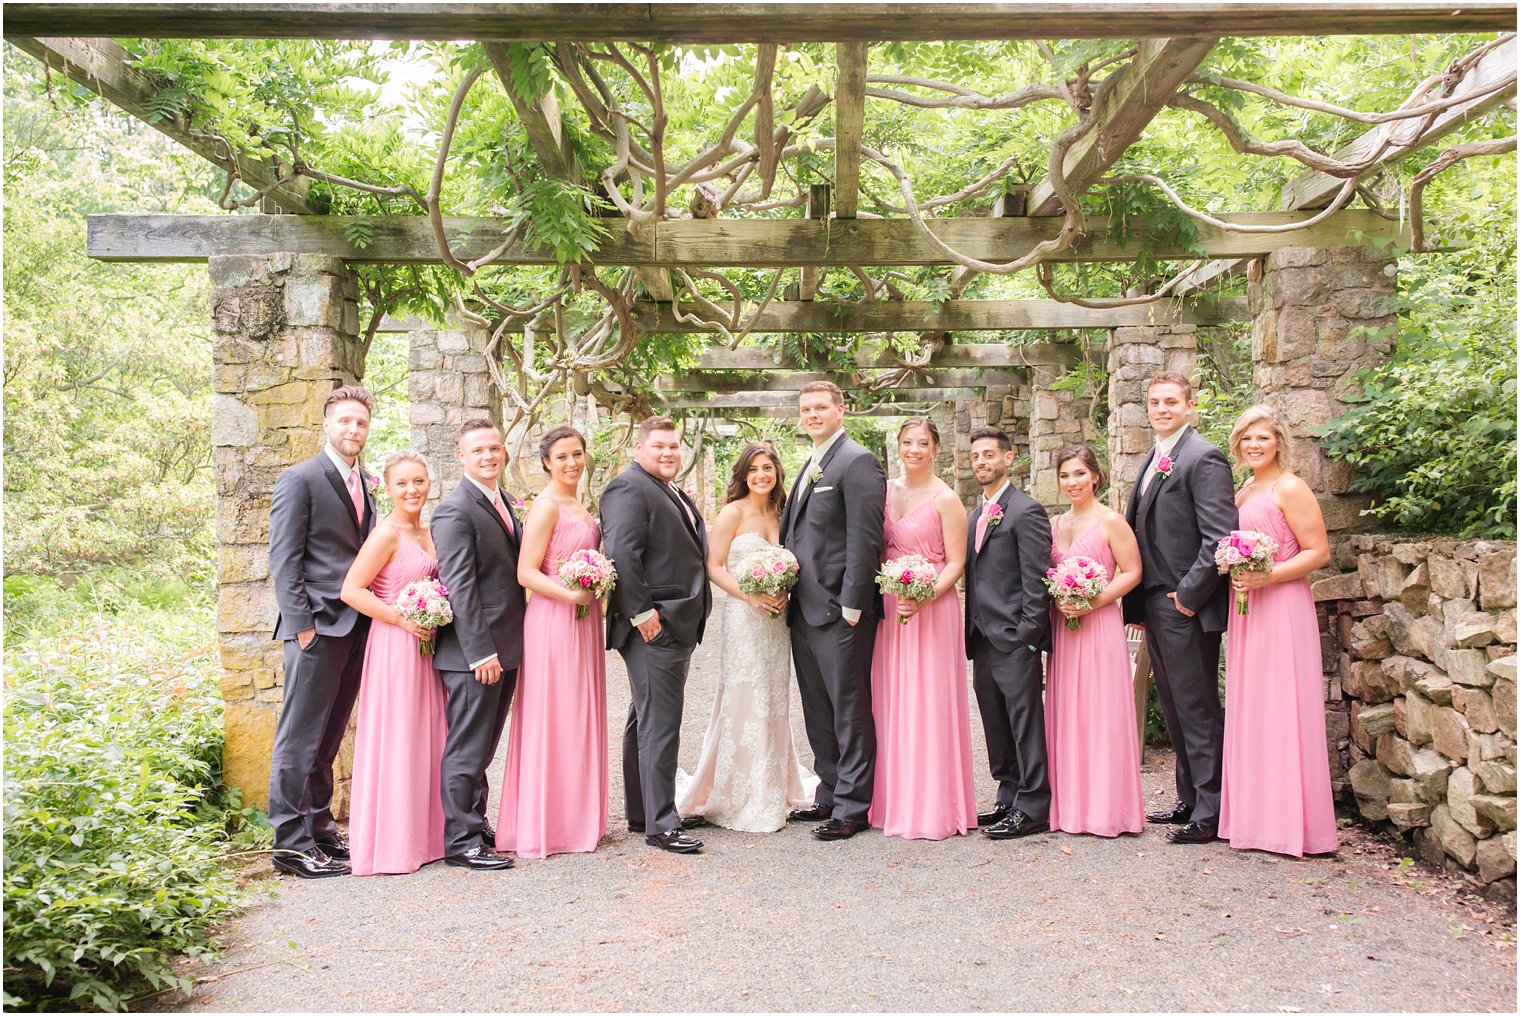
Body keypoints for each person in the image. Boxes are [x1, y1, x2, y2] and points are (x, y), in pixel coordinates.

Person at [1121, 372, 1239, 845]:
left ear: (1190, 406)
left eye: (1171, 402)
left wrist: (1188, 598)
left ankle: (1212, 812)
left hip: (1183, 604)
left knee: (1197, 708)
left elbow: (1218, 538)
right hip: (1155, 603)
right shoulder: (1156, 456)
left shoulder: (1203, 457)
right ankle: (1190, 798)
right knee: (1173, 707)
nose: (1162, 409)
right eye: (1154, 402)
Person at [677, 442, 818, 833]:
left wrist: (784, 590)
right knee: (745, 694)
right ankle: (737, 790)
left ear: (777, 473)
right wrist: (749, 594)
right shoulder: (731, 513)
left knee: (774, 695)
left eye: (768, 468)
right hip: (744, 616)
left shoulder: (784, 513)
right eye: (754, 469)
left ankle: (772, 783)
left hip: (777, 619)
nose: (761, 475)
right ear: (743, 474)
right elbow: (713, 565)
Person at [267, 385, 377, 878]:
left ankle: (320, 831)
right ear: (327, 425)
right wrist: (302, 628)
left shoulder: (364, 483)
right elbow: (284, 560)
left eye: (361, 423)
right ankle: (290, 843)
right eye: (345, 421)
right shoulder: (300, 479)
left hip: (354, 626)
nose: (353, 430)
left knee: (328, 739)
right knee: (299, 738)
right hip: (316, 628)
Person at [1219, 405, 1338, 857]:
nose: (1254, 446)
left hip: (1282, 605)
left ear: (1279, 443)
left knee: (1284, 706)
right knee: (1253, 707)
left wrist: (1268, 576)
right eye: (1247, 438)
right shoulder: (1245, 490)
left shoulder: (1290, 486)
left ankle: (1292, 826)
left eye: (1263, 439)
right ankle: (1255, 819)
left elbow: (1319, 551)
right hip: (1247, 608)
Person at [780, 381, 888, 842]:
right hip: (804, 611)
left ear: (842, 409)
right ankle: (828, 790)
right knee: (818, 709)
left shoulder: (857, 461)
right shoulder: (810, 462)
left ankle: (853, 806)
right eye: (806, 408)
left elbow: (865, 540)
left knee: (849, 710)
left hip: (841, 613)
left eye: (821, 407)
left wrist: (851, 605)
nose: (813, 414)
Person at [601, 417, 713, 854]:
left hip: (674, 621)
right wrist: (642, 612)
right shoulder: (628, 487)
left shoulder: (668, 489)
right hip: (656, 624)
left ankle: (642, 811)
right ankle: (662, 825)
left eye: (674, 446)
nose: (668, 453)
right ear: (638, 447)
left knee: (643, 719)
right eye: (659, 446)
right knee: (660, 724)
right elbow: (622, 552)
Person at [496, 426, 609, 859]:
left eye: (577, 454)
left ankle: (577, 818)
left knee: (578, 713)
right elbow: (526, 572)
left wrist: (594, 588)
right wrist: (572, 595)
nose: (571, 463)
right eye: (561, 456)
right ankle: (546, 824)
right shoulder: (544, 508)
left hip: (583, 620)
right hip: (552, 621)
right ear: (546, 462)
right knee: (553, 715)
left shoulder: (579, 504)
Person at [339, 451, 447, 875]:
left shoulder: (429, 530)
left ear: (429, 483)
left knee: (428, 735)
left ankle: (429, 836)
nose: (412, 490)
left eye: (419, 481)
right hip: (395, 644)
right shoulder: (386, 534)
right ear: (388, 487)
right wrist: (402, 618)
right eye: (402, 483)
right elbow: (352, 589)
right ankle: (394, 843)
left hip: (428, 644)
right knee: (399, 737)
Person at [868, 418, 975, 840]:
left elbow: (956, 562)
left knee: (928, 701)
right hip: (891, 606)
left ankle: (932, 807)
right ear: (898, 446)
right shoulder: (885, 492)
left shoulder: (946, 499)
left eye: (923, 443)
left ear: (935, 448)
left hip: (932, 606)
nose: (914, 449)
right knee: (891, 698)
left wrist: (926, 594)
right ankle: (893, 801)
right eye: (908, 442)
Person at [430, 419, 527, 871]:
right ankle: (460, 841)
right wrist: (480, 651)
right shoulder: (454, 510)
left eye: (494, 448)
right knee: (467, 747)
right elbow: (460, 586)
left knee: (485, 745)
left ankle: (477, 822)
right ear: (461, 457)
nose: (488, 456)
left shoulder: (503, 500)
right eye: (478, 451)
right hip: (475, 653)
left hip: (506, 646)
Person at [1044, 446, 1145, 838]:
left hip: (1099, 626)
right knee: (1068, 712)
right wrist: (1061, 598)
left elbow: (1132, 571)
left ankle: (1105, 810)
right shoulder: (1054, 524)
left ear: (1095, 477)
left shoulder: (1111, 522)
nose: (1073, 482)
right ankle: (1070, 807)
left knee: (1100, 713)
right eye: (1066, 476)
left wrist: (1092, 601)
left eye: (1080, 475)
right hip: (1065, 629)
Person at [964, 427, 1054, 840]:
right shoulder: (973, 516)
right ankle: (1008, 795)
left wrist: (1029, 637)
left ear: (1009, 457)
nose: (981, 461)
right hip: (983, 638)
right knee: (995, 722)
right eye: (976, 456)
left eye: (989, 455)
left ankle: (1034, 805)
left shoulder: (1026, 511)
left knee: (1024, 723)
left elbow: (1036, 581)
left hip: (1016, 639)